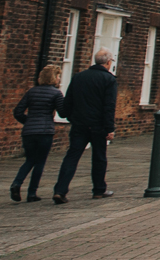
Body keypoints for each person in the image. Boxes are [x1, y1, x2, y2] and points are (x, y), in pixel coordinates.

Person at [53, 48, 118, 203]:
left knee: (72, 156)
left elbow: (68, 100)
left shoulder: (79, 77)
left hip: (79, 124)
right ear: (108, 63)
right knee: (99, 157)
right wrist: (110, 128)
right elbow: (109, 106)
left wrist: (69, 116)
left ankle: (60, 190)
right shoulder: (109, 80)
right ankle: (98, 190)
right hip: (98, 125)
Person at [9, 64, 65, 203]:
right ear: (54, 77)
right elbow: (63, 113)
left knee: (29, 159)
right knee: (40, 162)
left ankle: (17, 183)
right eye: (58, 76)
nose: (59, 79)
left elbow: (18, 111)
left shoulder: (31, 91)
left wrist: (28, 122)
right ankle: (32, 193)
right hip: (45, 131)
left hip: (28, 131)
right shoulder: (56, 93)